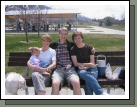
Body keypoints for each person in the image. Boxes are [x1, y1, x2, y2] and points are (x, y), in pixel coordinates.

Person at [49, 27, 82, 95]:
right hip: (58, 70)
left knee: (76, 82)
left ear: (67, 35)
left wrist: (91, 48)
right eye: (61, 34)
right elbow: (44, 49)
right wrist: (35, 50)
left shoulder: (71, 45)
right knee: (55, 83)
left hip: (70, 69)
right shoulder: (53, 45)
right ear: (58, 34)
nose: (63, 36)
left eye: (65, 34)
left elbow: (82, 46)